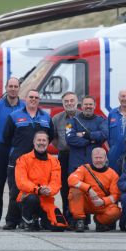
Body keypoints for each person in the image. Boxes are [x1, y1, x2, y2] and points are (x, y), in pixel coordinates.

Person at [2, 89, 55, 230]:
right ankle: (11, 221)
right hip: (17, 160)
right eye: (31, 97)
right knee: (15, 191)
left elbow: (51, 136)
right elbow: (6, 137)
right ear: (25, 98)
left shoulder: (46, 117)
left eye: (36, 97)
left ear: (39, 100)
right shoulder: (14, 116)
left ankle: (27, 219)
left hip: (37, 161)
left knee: (34, 191)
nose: (33, 99)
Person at [0, 77, 25, 228]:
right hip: (0, 149)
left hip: (18, 150)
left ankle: (14, 219)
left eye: (16, 86)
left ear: (19, 88)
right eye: (10, 86)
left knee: (17, 187)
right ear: (6, 87)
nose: (13, 89)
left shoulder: (25, 107)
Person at [15, 131, 67, 231]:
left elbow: (56, 182)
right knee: (32, 199)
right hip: (28, 197)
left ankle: (40, 221)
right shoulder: (23, 159)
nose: (41, 142)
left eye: (44, 140)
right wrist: (37, 190)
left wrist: (49, 190)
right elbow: (21, 182)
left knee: (59, 227)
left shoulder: (54, 161)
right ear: (34, 142)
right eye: (39, 140)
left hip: (46, 199)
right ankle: (27, 221)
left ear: (48, 143)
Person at [67, 148, 121, 232]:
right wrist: (88, 189)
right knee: (74, 191)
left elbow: (115, 195)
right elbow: (71, 180)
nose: (98, 160)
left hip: (102, 204)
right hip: (85, 202)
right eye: (96, 158)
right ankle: (79, 220)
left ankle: (99, 221)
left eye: (101, 158)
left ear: (106, 158)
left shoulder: (113, 174)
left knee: (116, 212)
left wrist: (103, 201)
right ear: (91, 158)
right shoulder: (84, 168)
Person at [51, 92, 80, 221]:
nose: (69, 103)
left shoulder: (83, 116)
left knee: (80, 186)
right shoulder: (57, 119)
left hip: (80, 155)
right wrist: (62, 147)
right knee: (65, 186)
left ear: (77, 102)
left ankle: (81, 218)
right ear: (63, 104)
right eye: (66, 101)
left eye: (72, 100)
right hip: (64, 156)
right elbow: (54, 138)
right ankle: (67, 216)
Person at [66, 96, 108, 173]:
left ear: (94, 106)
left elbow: (104, 134)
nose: (88, 106)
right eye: (86, 104)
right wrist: (91, 141)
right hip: (76, 165)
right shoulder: (71, 122)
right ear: (81, 106)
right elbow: (70, 139)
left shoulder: (101, 121)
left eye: (90, 104)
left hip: (95, 165)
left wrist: (85, 135)